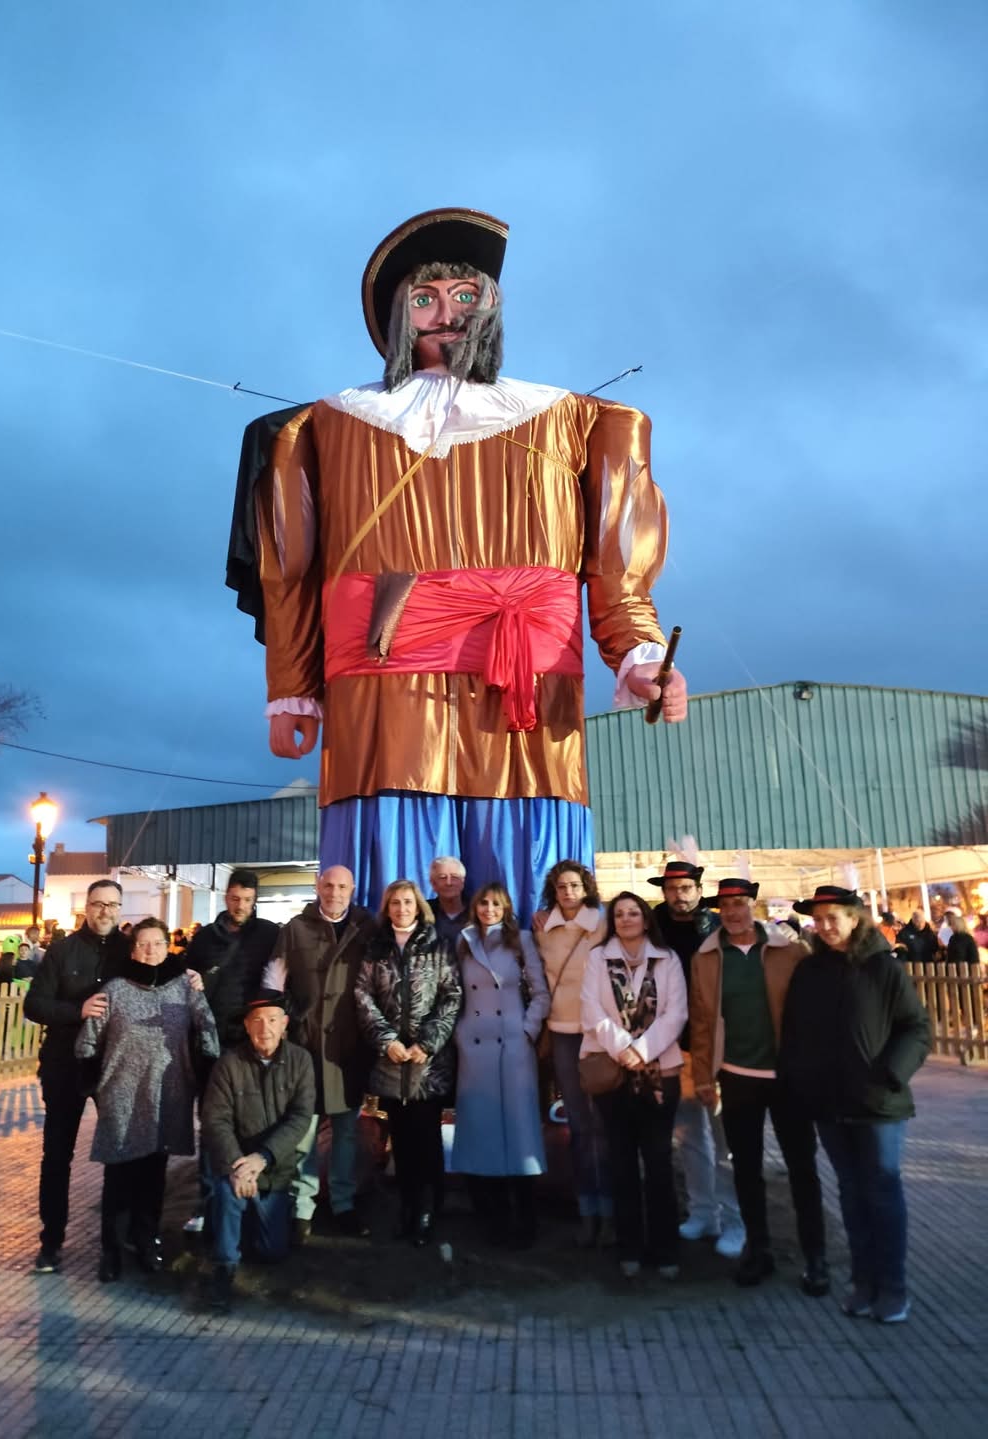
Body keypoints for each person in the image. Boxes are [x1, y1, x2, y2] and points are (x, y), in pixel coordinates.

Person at [228, 206, 687, 920]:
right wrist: (292, 686)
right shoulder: (325, 426)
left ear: (492, 306)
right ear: (398, 317)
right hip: (383, 678)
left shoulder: (578, 420)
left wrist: (639, 652)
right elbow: (290, 565)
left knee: (533, 878)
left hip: (526, 680)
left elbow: (615, 550)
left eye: (465, 296)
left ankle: (544, 1016)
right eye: (425, 298)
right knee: (393, 881)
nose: (447, 314)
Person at [780, 885, 930, 1323]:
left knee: (881, 1191)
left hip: (878, 1103)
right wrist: (799, 1078)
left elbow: (916, 1027)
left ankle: (894, 1288)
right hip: (829, 1102)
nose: (825, 927)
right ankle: (863, 1282)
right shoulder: (809, 971)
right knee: (849, 1192)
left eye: (834, 918)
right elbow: (793, 1032)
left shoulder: (883, 968)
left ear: (854, 918)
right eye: (819, 919)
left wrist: (890, 1074)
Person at [689, 878, 828, 1295]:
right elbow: (700, 1022)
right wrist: (702, 1077)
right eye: (725, 905)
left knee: (802, 1169)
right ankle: (759, 1250)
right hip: (736, 1077)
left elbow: (811, 1012)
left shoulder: (789, 951)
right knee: (746, 1171)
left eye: (740, 903)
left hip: (786, 1078)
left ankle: (816, 1257)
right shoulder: (708, 957)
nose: (732, 911)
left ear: (753, 905)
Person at [75, 916, 218, 1282]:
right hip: (122, 1093)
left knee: (155, 1174)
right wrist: (95, 1085)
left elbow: (206, 1028)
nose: (150, 950)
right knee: (119, 1172)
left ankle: (146, 1239)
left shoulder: (184, 986)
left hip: (167, 1093)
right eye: (143, 943)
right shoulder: (115, 989)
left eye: (157, 942)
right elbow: (88, 1041)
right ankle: (111, 1248)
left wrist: (206, 1060)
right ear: (133, 948)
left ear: (167, 945)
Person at [263, 865, 376, 1242]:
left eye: (343, 885)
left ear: (353, 888)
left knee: (345, 1131)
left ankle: (342, 1203)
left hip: (349, 1051)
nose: (335, 892)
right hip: (305, 1049)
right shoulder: (294, 929)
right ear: (317, 886)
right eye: (328, 885)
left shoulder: (366, 929)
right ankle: (301, 1208)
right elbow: (274, 983)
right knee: (303, 1133)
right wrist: (295, 1022)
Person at [24, 879, 130, 1272]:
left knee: (118, 1153)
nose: (106, 912)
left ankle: (112, 1245)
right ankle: (51, 1241)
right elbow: (34, 1004)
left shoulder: (129, 952)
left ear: (121, 909)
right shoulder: (63, 949)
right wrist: (77, 1010)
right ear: (86, 907)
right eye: (99, 904)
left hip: (112, 1066)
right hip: (65, 1064)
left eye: (113, 905)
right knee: (57, 1156)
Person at [581, 892, 688, 1279]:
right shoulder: (597, 957)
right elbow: (589, 1009)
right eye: (620, 914)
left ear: (646, 919)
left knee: (659, 1163)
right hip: (612, 1073)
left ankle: (666, 1249)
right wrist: (623, 1047)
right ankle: (629, 1247)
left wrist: (642, 1050)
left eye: (634, 913)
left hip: (660, 1073)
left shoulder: (668, 958)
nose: (626, 919)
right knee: (622, 1163)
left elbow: (677, 1013)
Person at [354, 879, 461, 1246]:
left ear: (418, 906)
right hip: (390, 1063)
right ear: (387, 908)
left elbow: (451, 996)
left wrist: (427, 1043)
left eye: (408, 902)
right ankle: (407, 1208)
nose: (401, 909)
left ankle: (430, 1209)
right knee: (400, 1141)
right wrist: (386, 1041)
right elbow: (363, 996)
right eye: (395, 903)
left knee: (427, 1138)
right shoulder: (376, 947)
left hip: (427, 1064)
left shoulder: (439, 945)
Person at [647, 859, 743, 1258]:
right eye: (672, 889)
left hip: (715, 1045)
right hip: (673, 1045)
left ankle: (736, 1220)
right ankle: (704, 1211)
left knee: (726, 1140)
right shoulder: (653, 927)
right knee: (689, 1138)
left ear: (699, 892)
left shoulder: (718, 929)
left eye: (686, 888)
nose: (679, 896)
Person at [201, 993, 316, 1311]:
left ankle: (244, 1224)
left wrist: (262, 1158)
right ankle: (224, 1268)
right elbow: (214, 1119)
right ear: (246, 1026)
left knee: (271, 1252)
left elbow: (300, 1119)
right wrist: (238, 1164)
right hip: (236, 1164)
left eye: (272, 1019)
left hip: (273, 1167)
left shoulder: (301, 1061)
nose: (265, 1027)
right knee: (227, 1192)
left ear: (284, 1025)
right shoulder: (228, 1063)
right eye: (257, 1020)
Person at [454, 883, 550, 1247]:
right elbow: (458, 992)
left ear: (506, 907)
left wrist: (527, 1030)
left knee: (518, 1131)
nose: (489, 909)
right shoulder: (462, 942)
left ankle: (525, 1218)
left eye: (496, 904)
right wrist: (460, 1033)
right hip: (475, 1046)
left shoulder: (522, 940)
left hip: (512, 1047)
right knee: (481, 1131)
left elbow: (540, 993)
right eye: (483, 903)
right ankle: (489, 1217)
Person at [185, 868, 280, 1232]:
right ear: (226, 897)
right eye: (236, 898)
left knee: (252, 1122)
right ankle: (208, 1202)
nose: (241, 906)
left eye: (248, 901)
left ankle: (249, 1199)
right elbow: (189, 984)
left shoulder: (270, 935)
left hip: (250, 1042)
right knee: (212, 1123)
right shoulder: (205, 938)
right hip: (210, 1043)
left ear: (255, 901)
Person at [532, 860, 613, 1245]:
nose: (568, 893)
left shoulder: (603, 923)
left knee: (606, 1124)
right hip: (563, 1034)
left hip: (599, 1035)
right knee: (579, 1125)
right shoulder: (542, 929)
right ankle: (587, 1209)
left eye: (575, 886)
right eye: (562, 887)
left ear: (586, 889)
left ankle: (612, 1205)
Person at [429, 856, 470, 949]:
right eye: (442, 877)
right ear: (433, 884)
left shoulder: (477, 913)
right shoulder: (423, 913)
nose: (449, 882)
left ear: (462, 882)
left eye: (454, 877)